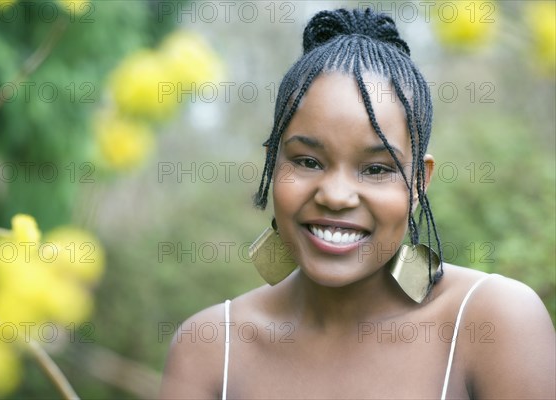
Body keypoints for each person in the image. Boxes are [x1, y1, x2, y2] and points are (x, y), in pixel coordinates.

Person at [159, 8, 555, 399]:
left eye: (376, 169)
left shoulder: (492, 321)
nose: (335, 195)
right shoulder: (209, 349)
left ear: (419, 181)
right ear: (272, 163)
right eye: (308, 161)